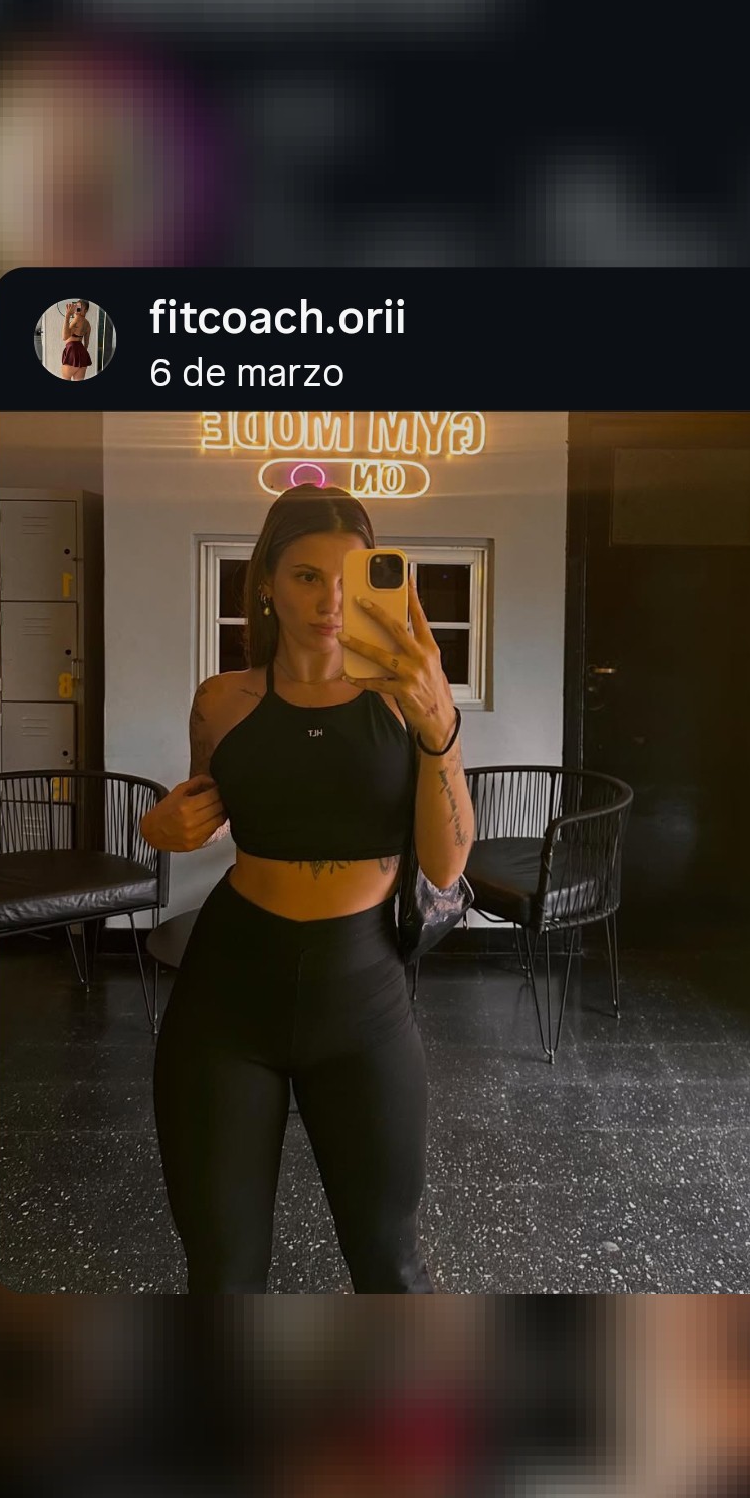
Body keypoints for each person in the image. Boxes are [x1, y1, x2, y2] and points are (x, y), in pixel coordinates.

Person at [140, 484, 475, 1295]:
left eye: (347, 577)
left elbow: (446, 866)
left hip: (362, 993)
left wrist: (439, 727)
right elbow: (203, 812)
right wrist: (162, 826)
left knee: (391, 1265)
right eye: (304, 577)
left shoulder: (405, 700)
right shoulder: (222, 700)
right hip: (228, 989)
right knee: (222, 1271)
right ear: (266, 583)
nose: (329, 601)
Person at [59, 300, 92, 380]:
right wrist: (81, 354)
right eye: (76, 306)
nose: (77, 309)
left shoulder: (77, 319)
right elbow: (86, 343)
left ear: (85, 311)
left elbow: (64, 337)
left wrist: (67, 316)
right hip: (83, 353)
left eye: (79, 307)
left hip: (72, 350)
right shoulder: (88, 324)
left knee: (66, 378)